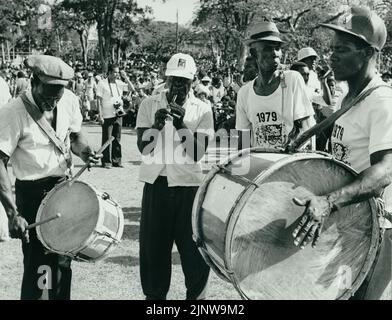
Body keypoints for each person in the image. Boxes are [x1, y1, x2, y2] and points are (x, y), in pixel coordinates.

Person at [291, 6, 392, 300]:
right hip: (351, 224)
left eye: (343, 49)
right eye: (332, 48)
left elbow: (385, 170)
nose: (331, 56)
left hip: (378, 230)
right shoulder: (349, 97)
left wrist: (329, 201)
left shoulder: (382, 102)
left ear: (367, 54)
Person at [0, 54, 101, 299]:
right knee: (38, 266)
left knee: (63, 262)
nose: (53, 100)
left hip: (64, 191)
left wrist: (86, 152)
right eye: (48, 92)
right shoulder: (13, 112)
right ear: (34, 82)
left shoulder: (69, 101)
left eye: (59, 93)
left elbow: (75, 138)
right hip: (32, 195)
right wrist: (13, 213)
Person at [136, 53, 213, 300]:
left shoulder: (203, 109)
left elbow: (197, 152)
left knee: (194, 256)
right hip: (156, 187)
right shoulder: (149, 104)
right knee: (154, 254)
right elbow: (143, 148)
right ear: (166, 78)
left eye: (185, 80)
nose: (179, 85)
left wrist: (181, 126)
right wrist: (156, 127)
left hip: (188, 188)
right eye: (175, 79)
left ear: (193, 81)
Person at [236, 21, 315, 150]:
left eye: (277, 48)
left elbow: (305, 129)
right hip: (262, 165)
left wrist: (290, 147)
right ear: (254, 53)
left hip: (290, 163)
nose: (275, 53)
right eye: (267, 48)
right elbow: (243, 140)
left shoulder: (292, 80)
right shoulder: (244, 93)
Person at [96, 64, 134, 168]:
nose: (116, 74)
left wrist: (125, 77)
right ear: (109, 73)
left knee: (117, 138)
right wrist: (100, 115)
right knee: (107, 138)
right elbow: (98, 100)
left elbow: (132, 88)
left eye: (117, 72)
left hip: (118, 113)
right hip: (107, 114)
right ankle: (106, 162)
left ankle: (117, 160)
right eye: (114, 72)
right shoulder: (102, 83)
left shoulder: (119, 83)